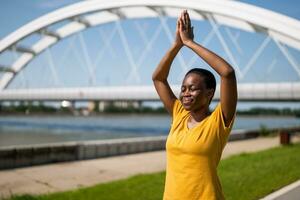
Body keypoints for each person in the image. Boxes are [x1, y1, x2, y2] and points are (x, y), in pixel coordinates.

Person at [152, 10, 237, 200]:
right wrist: (177, 45)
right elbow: (158, 78)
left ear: (209, 93)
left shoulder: (219, 121)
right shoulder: (179, 115)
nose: (185, 93)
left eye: (192, 88)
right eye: (183, 89)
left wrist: (190, 43)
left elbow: (227, 73)